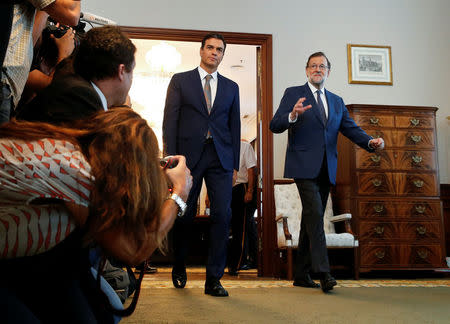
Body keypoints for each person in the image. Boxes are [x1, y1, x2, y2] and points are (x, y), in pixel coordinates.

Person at [0, 108, 192, 323]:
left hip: (29, 264)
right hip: (16, 268)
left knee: (106, 311)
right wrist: (179, 193)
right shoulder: (76, 170)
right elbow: (133, 251)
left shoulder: (73, 151)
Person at [269, 51, 384, 293]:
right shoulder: (293, 93)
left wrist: (369, 142)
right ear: (306, 70)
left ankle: (301, 275)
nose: (317, 69)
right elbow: (274, 125)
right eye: (313, 66)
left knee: (313, 216)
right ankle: (324, 272)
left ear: (328, 72)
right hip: (302, 166)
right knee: (314, 213)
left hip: (326, 168)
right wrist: (292, 115)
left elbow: (350, 129)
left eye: (322, 66)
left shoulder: (336, 101)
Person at [163, 33, 240, 297]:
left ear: (222, 54)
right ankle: (179, 263)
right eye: (210, 48)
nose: (214, 53)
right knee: (183, 213)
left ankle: (214, 280)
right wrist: (171, 159)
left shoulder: (231, 87)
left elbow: (234, 126)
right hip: (188, 159)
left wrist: (234, 165)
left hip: (221, 158)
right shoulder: (180, 81)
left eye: (219, 49)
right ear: (201, 50)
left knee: (222, 215)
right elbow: (170, 121)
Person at [16, 25, 136, 123]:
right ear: (121, 71)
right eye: (131, 72)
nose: (131, 80)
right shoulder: (83, 99)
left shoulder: (80, 90)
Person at [0, 0, 81, 124]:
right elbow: (71, 14)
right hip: (3, 80)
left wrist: (46, 9)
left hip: (8, 84)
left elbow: (28, 43)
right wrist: (64, 54)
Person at [228, 139, 257, 275]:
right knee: (225, 227)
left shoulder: (245, 147)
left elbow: (251, 170)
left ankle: (236, 264)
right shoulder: (222, 145)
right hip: (225, 188)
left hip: (241, 188)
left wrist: (250, 191)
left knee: (240, 228)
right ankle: (223, 262)